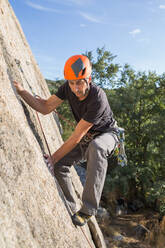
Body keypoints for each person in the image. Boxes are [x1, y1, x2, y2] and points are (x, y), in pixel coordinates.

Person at [14, 54, 119, 226]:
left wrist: (52, 157)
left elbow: (77, 135)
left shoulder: (97, 98)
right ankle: (71, 206)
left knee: (97, 147)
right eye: (71, 82)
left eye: (79, 82)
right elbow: (45, 107)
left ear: (88, 79)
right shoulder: (67, 88)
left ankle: (87, 210)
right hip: (87, 138)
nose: (75, 87)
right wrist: (21, 91)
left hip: (107, 135)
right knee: (60, 166)